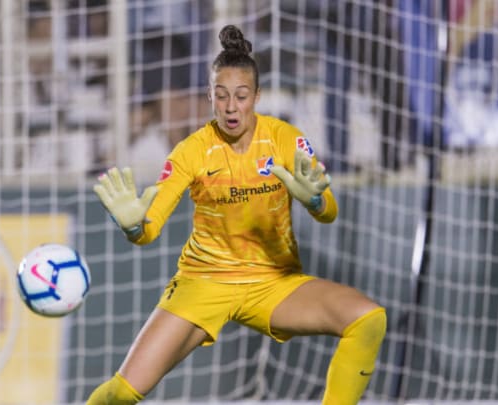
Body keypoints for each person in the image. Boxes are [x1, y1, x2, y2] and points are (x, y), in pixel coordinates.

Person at [88, 25, 387, 404]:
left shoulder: (283, 138)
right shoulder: (191, 151)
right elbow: (148, 231)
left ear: (256, 97)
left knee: (368, 319)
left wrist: (315, 201)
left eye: (241, 96)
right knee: (121, 394)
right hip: (204, 283)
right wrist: (132, 225)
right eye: (221, 96)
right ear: (210, 97)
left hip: (272, 284)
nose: (231, 107)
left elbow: (328, 211)